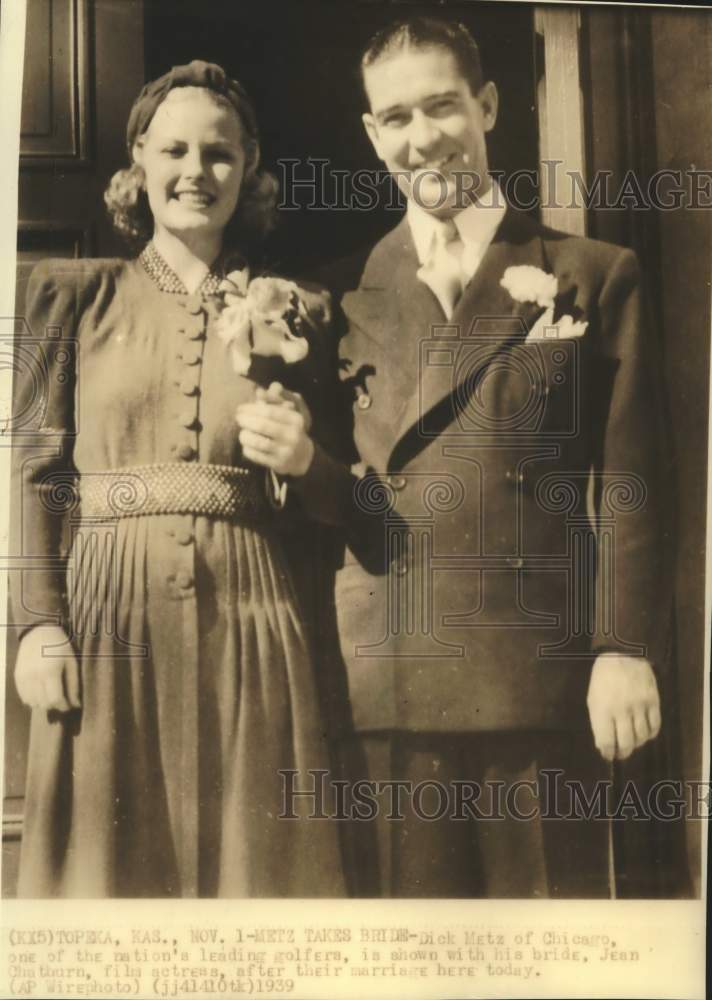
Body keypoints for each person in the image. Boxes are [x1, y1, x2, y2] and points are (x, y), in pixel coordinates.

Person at [242, 16, 679, 897]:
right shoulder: (335, 298)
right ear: (372, 135)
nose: (422, 136)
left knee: (551, 959)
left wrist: (623, 647)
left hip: (540, 683)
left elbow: (635, 483)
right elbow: (341, 500)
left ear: (486, 107)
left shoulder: (591, 275)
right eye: (396, 118)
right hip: (387, 681)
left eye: (441, 106)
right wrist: (294, 460)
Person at [10, 60, 345, 898]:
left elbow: (336, 492)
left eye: (220, 154)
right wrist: (35, 624)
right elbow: (33, 469)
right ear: (138, 165)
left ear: (251, 170)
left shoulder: (298, 312)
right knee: (107, 869)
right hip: (106, 611)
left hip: (252, 612)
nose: (196, 171)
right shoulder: (73, 298)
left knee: (256, 870)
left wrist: (302, 462)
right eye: (174, 151)